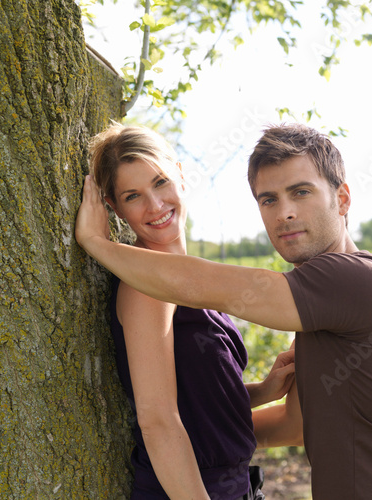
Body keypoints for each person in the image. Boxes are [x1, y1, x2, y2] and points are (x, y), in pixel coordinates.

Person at [76, 123, 372, 499]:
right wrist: (252, 400)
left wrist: (96, 242)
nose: (285, 214)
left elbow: (219, 288)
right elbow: (291, 424)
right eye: (269, 200)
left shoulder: (355, 281)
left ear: (342, 199)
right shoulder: (315, 306)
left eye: (301, 192)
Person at [85, 123, 303, 500]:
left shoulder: (190, 279)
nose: (155, 206)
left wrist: (260, 392)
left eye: (160, 182)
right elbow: (158, 422)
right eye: (133, 195)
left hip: (232, 485)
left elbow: (193, 394)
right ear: (114, 208)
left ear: (181, 176)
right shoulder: (146, 288)